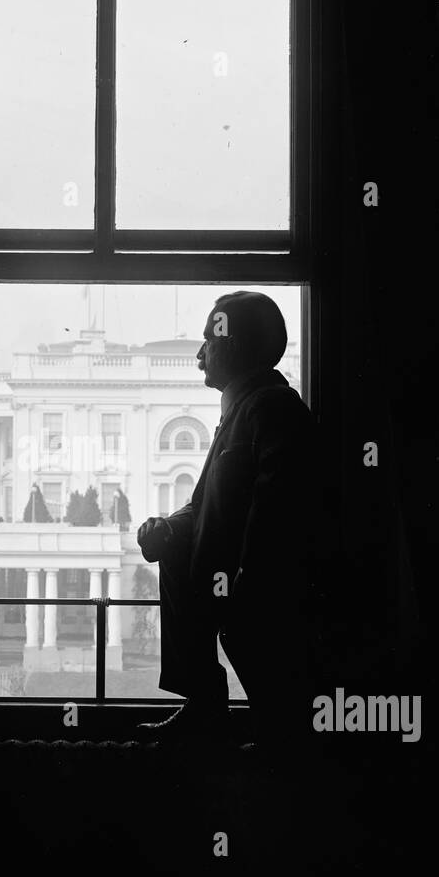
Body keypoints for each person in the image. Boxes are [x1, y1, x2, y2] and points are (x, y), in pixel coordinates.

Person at [137, 291, 316, 750]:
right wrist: (171, 527)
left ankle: (262, 734)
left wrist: (247, 580)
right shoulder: (249, 407)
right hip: (229, 574)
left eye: (208, 342)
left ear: (233, 347)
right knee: (174, 547)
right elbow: (212, 501)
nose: (199, 355)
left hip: (253, 584)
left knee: (266, 677)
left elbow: (276, 509)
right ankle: (208, 707)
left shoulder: (270, 409)